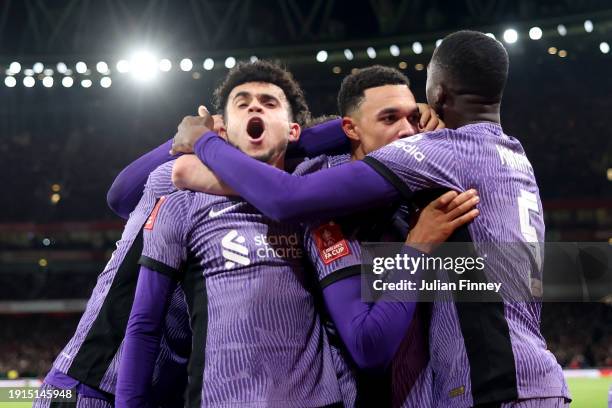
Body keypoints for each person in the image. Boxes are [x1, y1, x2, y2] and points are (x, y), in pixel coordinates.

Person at [170, 31, 570, 407]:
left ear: (436, 93)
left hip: (494, 386)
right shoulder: (514, 157)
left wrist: (204, 141)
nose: (409, 130)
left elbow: (286, 196)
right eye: (390, 118)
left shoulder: (438, 154)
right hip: (525, 379)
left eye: (414, 116)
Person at [115, 61, 479, 407]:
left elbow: (512, 277)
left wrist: (396, 112)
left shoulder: (373, 188)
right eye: (242, 105)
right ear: (223, 129)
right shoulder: (189, 196)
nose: (255, 109)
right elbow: (121, 197)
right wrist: (189, 140)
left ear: (293, 131)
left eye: (269, 103)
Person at [32, 164, 192, 408]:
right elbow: (120, 195)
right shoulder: (175, 184)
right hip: (89, 386)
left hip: (150, 394)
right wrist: (195, 137)